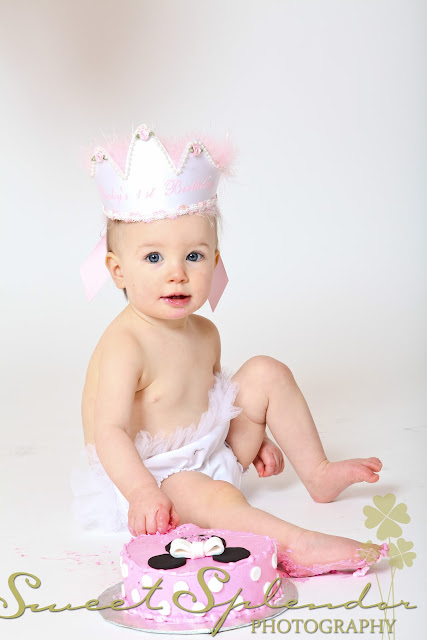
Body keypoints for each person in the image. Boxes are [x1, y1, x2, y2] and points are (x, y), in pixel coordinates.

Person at [72, 124, 388, 577]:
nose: (177, 273)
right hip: (152, 475)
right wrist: (141, 493)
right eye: (154, 258)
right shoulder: (126, 344)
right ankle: (298, 544)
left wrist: (255, 436)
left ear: (216, 260)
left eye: (194, 256)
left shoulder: (205, 332)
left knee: (265, 370)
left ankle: (317, 472)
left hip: (210, 452)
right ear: (118, 270)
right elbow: (110, 433)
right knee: (216, 498)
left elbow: (214, 399)